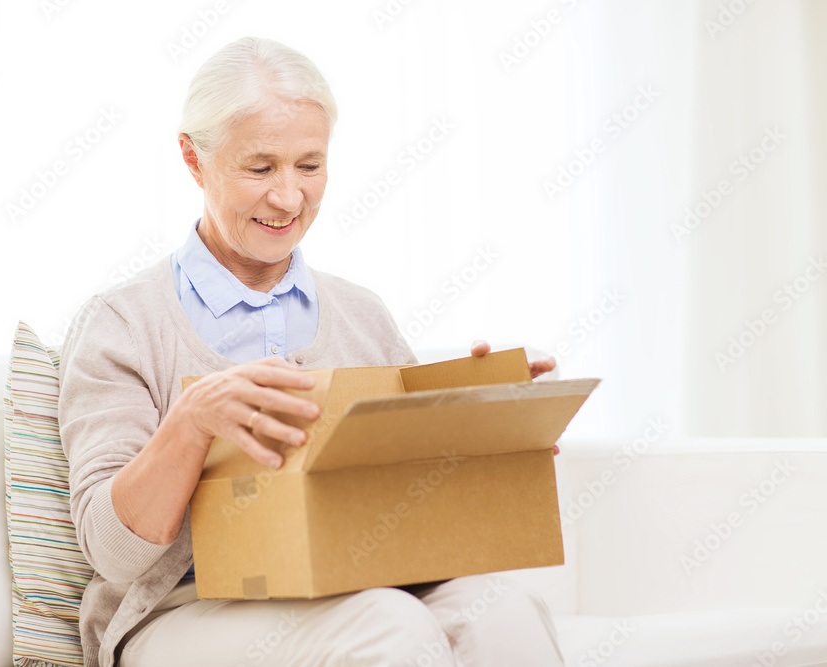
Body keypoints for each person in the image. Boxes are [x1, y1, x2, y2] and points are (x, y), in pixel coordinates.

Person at [58, 36, 562, 667]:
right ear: (193, 159)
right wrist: (190, 423)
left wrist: (498, 426)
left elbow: (422, 497)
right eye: (260, 168)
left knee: (504, 609)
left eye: (310, 165)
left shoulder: (362, 313)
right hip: (184, 610)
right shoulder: (123, 323)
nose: (290, 198)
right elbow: (112, 552)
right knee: (388, 623)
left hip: (362, 583)